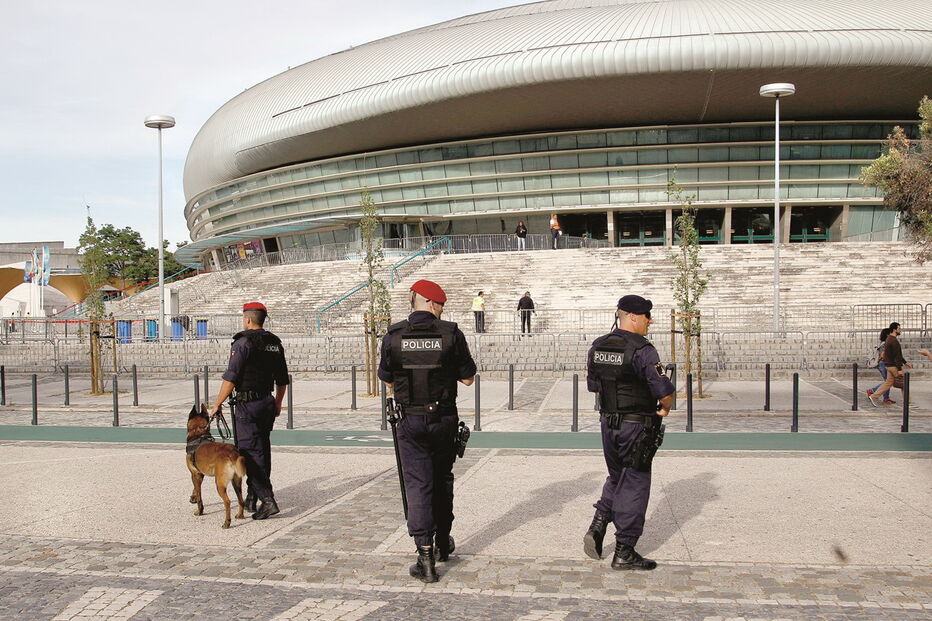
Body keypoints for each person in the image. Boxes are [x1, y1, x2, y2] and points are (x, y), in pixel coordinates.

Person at [378, 279, 477, 583]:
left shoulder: (394, 335)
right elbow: (468, 379)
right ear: (432, 303)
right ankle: (443, 542)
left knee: (418, 484)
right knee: (442, 479)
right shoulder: (451, 334)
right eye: (441, 306)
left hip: (410, 419)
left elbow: (387, 379)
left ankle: (425, 556)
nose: (442, 310)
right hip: (443, 418)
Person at [583, 295, 674, 571]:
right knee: (634, 482)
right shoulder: (643, 349)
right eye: (647, 316)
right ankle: (625, 550)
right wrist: (665, 408)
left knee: (617, 476)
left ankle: (599, 524)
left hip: (608, 424)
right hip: (637, 425)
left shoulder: (599, 345)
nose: (650, 321)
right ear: (633, 317)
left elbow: (594, 386)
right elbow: (664, 391)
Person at [209, 302, 289, 520]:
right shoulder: (274, 343)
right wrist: (278, 403)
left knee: (249, 454)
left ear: (247, 320)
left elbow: (231, 377)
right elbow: (283, 380)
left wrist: (217, 404)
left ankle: (268, 500)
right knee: (262, 450)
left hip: (248, 406)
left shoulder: (243, 343)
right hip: (267, 403)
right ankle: (252, 497)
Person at [868, 322, 908, 407]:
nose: (900, 330)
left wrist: (905, 362)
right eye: (899, 328)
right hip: (893, 366)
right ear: (894, 329)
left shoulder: (889, 339)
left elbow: (896, 355)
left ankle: (874, 396)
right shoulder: (894, 341)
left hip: (888, 365)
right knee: (904, 383)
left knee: (888, 383)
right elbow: (897, 356)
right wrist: (899, 369)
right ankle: (908, 402)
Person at [866, 326, 894, 405]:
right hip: (883, 364)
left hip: (883, 364)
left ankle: (880, 394)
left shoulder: (883, 343)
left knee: (888, 381)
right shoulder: (885, 344)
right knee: (888, 382)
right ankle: (883, 396)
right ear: (887, 335)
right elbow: (882, 355)